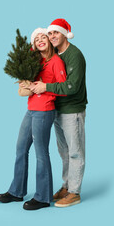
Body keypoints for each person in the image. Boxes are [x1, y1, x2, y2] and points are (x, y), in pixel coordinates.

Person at [0, 28, 66, 210]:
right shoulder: (36, 62)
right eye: (37, 39)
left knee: (41, 153)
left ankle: (43, 197)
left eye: (44, 37)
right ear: (34, 45)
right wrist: (24, 83)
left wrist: (45, 87)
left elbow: (64, 88)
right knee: (20, 148)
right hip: (31, 109)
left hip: (44, 111)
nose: (41, 40)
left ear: (50, 42)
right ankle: (16, 191)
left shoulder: (56, 61)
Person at [28, 19, 88, 208]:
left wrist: (45, 86)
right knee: (64, 152)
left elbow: (72, 86)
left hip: (73, 110)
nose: (52, 36)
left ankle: (74, 192)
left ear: (64, 34)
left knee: (75, 152)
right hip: (57, 110)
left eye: (56, 33)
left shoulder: (74, 55)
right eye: (50, 33)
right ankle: (66, 186)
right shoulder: (56, 54)